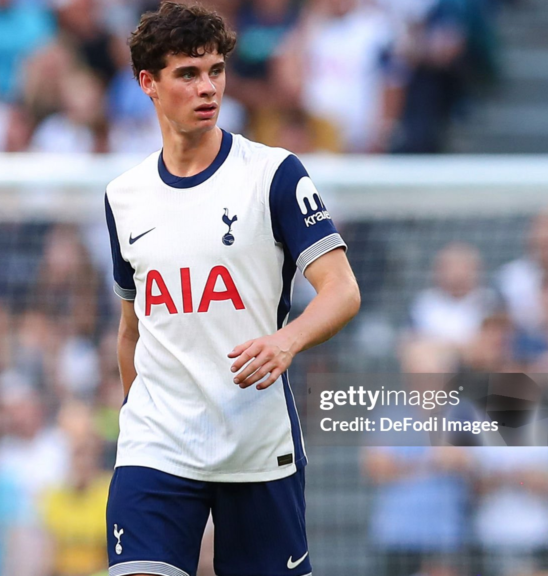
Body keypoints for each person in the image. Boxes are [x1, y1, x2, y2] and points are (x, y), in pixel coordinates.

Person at [103, 4, 361, 576]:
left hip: (255, 446)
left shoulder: (273, 174)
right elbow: (131, 330)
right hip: (158, 445)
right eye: (188, 74)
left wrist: (285, 342)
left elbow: (342, 290)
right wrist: (138, 422)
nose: (207, 87)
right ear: (148, 83)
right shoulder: (124, 195)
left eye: (215, 70)